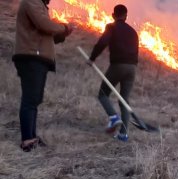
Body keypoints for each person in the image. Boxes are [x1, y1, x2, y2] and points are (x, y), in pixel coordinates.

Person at [12, 0, 73, 152]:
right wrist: (64, 27)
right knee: (30, 99)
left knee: (34, 99)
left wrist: (63, 33)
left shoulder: (39, 5)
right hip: (31, 57)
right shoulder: (32, 1)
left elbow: (46, 35)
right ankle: (27, 140)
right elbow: (43, 24)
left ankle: (32, 136)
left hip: (37, 58)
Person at [87, 4, 139, 142]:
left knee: (103, 94)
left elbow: (102, 42)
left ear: (113, 15)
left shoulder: (112, 27)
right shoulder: (133, 31)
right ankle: (124, 134)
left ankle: (113, 117)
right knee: (124, 100)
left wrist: (92, 58)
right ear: (126, 16)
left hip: (118, 66)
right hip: (132, 68)